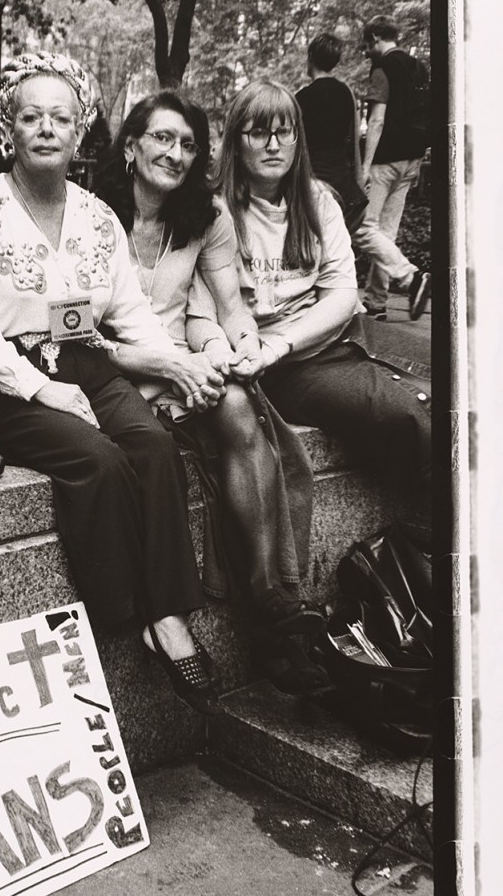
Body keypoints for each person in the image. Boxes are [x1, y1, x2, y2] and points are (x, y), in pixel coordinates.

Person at [0, 52, 231, 713]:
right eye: (31, 116)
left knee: (153, 446)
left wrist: (176, 364)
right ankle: (123, 617)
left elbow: (128, 315)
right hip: (9, 382)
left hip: (89, 365)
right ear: (7, 125)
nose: (46, 128)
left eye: (60, 118)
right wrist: (43, 391)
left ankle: (170, 618)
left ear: (80, 131)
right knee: (97, 460)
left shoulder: (99, 217)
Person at [95, 92, 330, 696]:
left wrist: (239, 351)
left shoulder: (207, 216)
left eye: (189, 144)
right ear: (131, 145)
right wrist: (173, 366)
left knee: (237, 405)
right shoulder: (90, 213)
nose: (175, 154)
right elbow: (73, 337)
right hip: (108, 370)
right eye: (163, 139)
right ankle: (265, 607)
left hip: (182, 363)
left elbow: (230, 309)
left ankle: (271, 596)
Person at [210, 80, 431, 491]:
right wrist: (270, 349)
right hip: (284, 369)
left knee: (461, 377)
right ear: (236, 140)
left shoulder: (319, 200)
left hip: (339, 336)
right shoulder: (216, 211)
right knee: (418, 416)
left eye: (284, 131)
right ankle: (429, 544)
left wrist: (285, 341)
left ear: (298, 139)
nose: (273, 144)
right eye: (259, 132)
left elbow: (344, 294)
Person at [357, 15, 431, 322]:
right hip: (413, 159)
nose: (366, 51)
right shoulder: (419, 68)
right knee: (386, 234)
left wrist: (364, 166)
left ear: (375, 37)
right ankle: (376, 301)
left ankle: (412, 277)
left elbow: (377, 120)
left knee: (363, 230)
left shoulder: (383, 67)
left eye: (366, 44)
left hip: (385, 160)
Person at [295, 32, 368, 233]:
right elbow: (353, 142)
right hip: (343, 181)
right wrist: (358, 181)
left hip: (314, 183)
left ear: (310, 57)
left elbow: (297, 146)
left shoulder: (301, 97)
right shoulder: (346, 92)